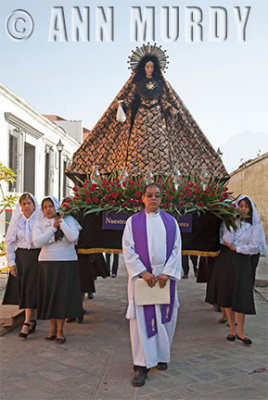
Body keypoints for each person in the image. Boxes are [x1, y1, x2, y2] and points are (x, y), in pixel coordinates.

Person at [122, 184, 181, 387]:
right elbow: (128, 249)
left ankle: (162, 355)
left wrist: (166, 273)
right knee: (141, 324)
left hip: (164, 280)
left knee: (165, 320)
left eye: (157, 196)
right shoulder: (133, 222)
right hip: (143, 280)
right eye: (150, 195)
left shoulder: (170, 222)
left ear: (161, 199)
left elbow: (176, 249)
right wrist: (143, 272)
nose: (153, 199)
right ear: (142, 198)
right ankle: (141, 365)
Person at [206, 195, 267, 345]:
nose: (243, 209)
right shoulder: (231, 221)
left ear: (250, 209)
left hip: (242, 261)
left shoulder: (255, 225)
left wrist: (238, 248)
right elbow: (227, 240)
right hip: (227, 260)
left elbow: (254, 246)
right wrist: (233, 223)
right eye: (241, 206)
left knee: (241, 294)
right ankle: (232, 330)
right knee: (227, 292)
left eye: (246, 206)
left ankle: (240, 331)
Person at [33, 196, 82, 343]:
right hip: (47, 264)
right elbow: (37, 242)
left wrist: (61, 222)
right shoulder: (40, 224)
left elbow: (73, 237)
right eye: (45, 207)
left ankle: (60, 331)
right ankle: (52, 330)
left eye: (51, 206)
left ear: (57, 207)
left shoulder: (69, 220)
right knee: (50, 297)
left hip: (66, 263)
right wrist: (53, 228)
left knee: (61, 297)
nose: (48, 209)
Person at [118, 54, 178, 173]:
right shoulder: (138, 83)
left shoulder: (160, 84)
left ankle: (161, 174)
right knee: (138, 145)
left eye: (152, 67)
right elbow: (131, 98)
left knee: (161, 144)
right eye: (148, 67)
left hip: (157, 116)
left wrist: (170, 108)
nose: (150, 69)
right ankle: (136, 175)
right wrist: (123, 104)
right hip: (142, 116)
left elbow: (163, 100)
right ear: (143, 68)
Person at [3, 193, 40, 338]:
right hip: (22, 257)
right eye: (23, 204)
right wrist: (11, 263)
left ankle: (27, 321)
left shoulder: (39, 219)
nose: (26, 206)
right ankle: (31, 320)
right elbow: (10, 241)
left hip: (37, 257)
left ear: (34, 204)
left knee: (32, 288)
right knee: (25, 288)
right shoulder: (17, 220)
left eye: (29, 203)